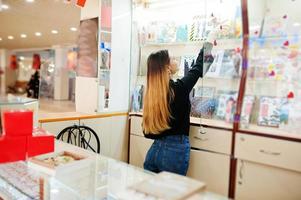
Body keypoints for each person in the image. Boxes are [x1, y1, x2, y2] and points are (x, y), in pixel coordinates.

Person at [142, 44, 214, 176]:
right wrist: (208, 43)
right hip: (174, 153)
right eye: (174, 59)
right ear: (167, 68)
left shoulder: (152, 94)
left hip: (154, 151)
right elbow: (199, 67)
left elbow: (147, 132)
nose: (177, 61)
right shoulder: (178, 89)